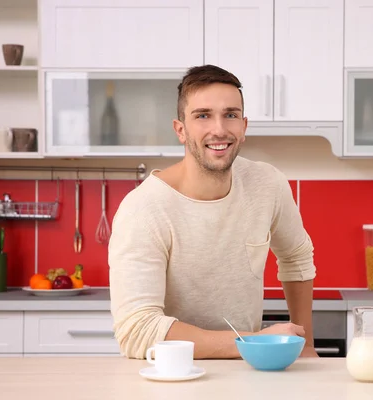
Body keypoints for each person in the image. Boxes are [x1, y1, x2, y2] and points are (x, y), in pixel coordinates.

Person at [108, 64, 318, 360]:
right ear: (180, 129)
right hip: (169, 377)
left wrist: (306, 344)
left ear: (244, 127)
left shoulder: (267, 184)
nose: (219, 129)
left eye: (230, 115)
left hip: (247, 372)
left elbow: (297, 254)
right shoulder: (143, 209)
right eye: (203, 115)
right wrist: (254, 342)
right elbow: (137, 330)